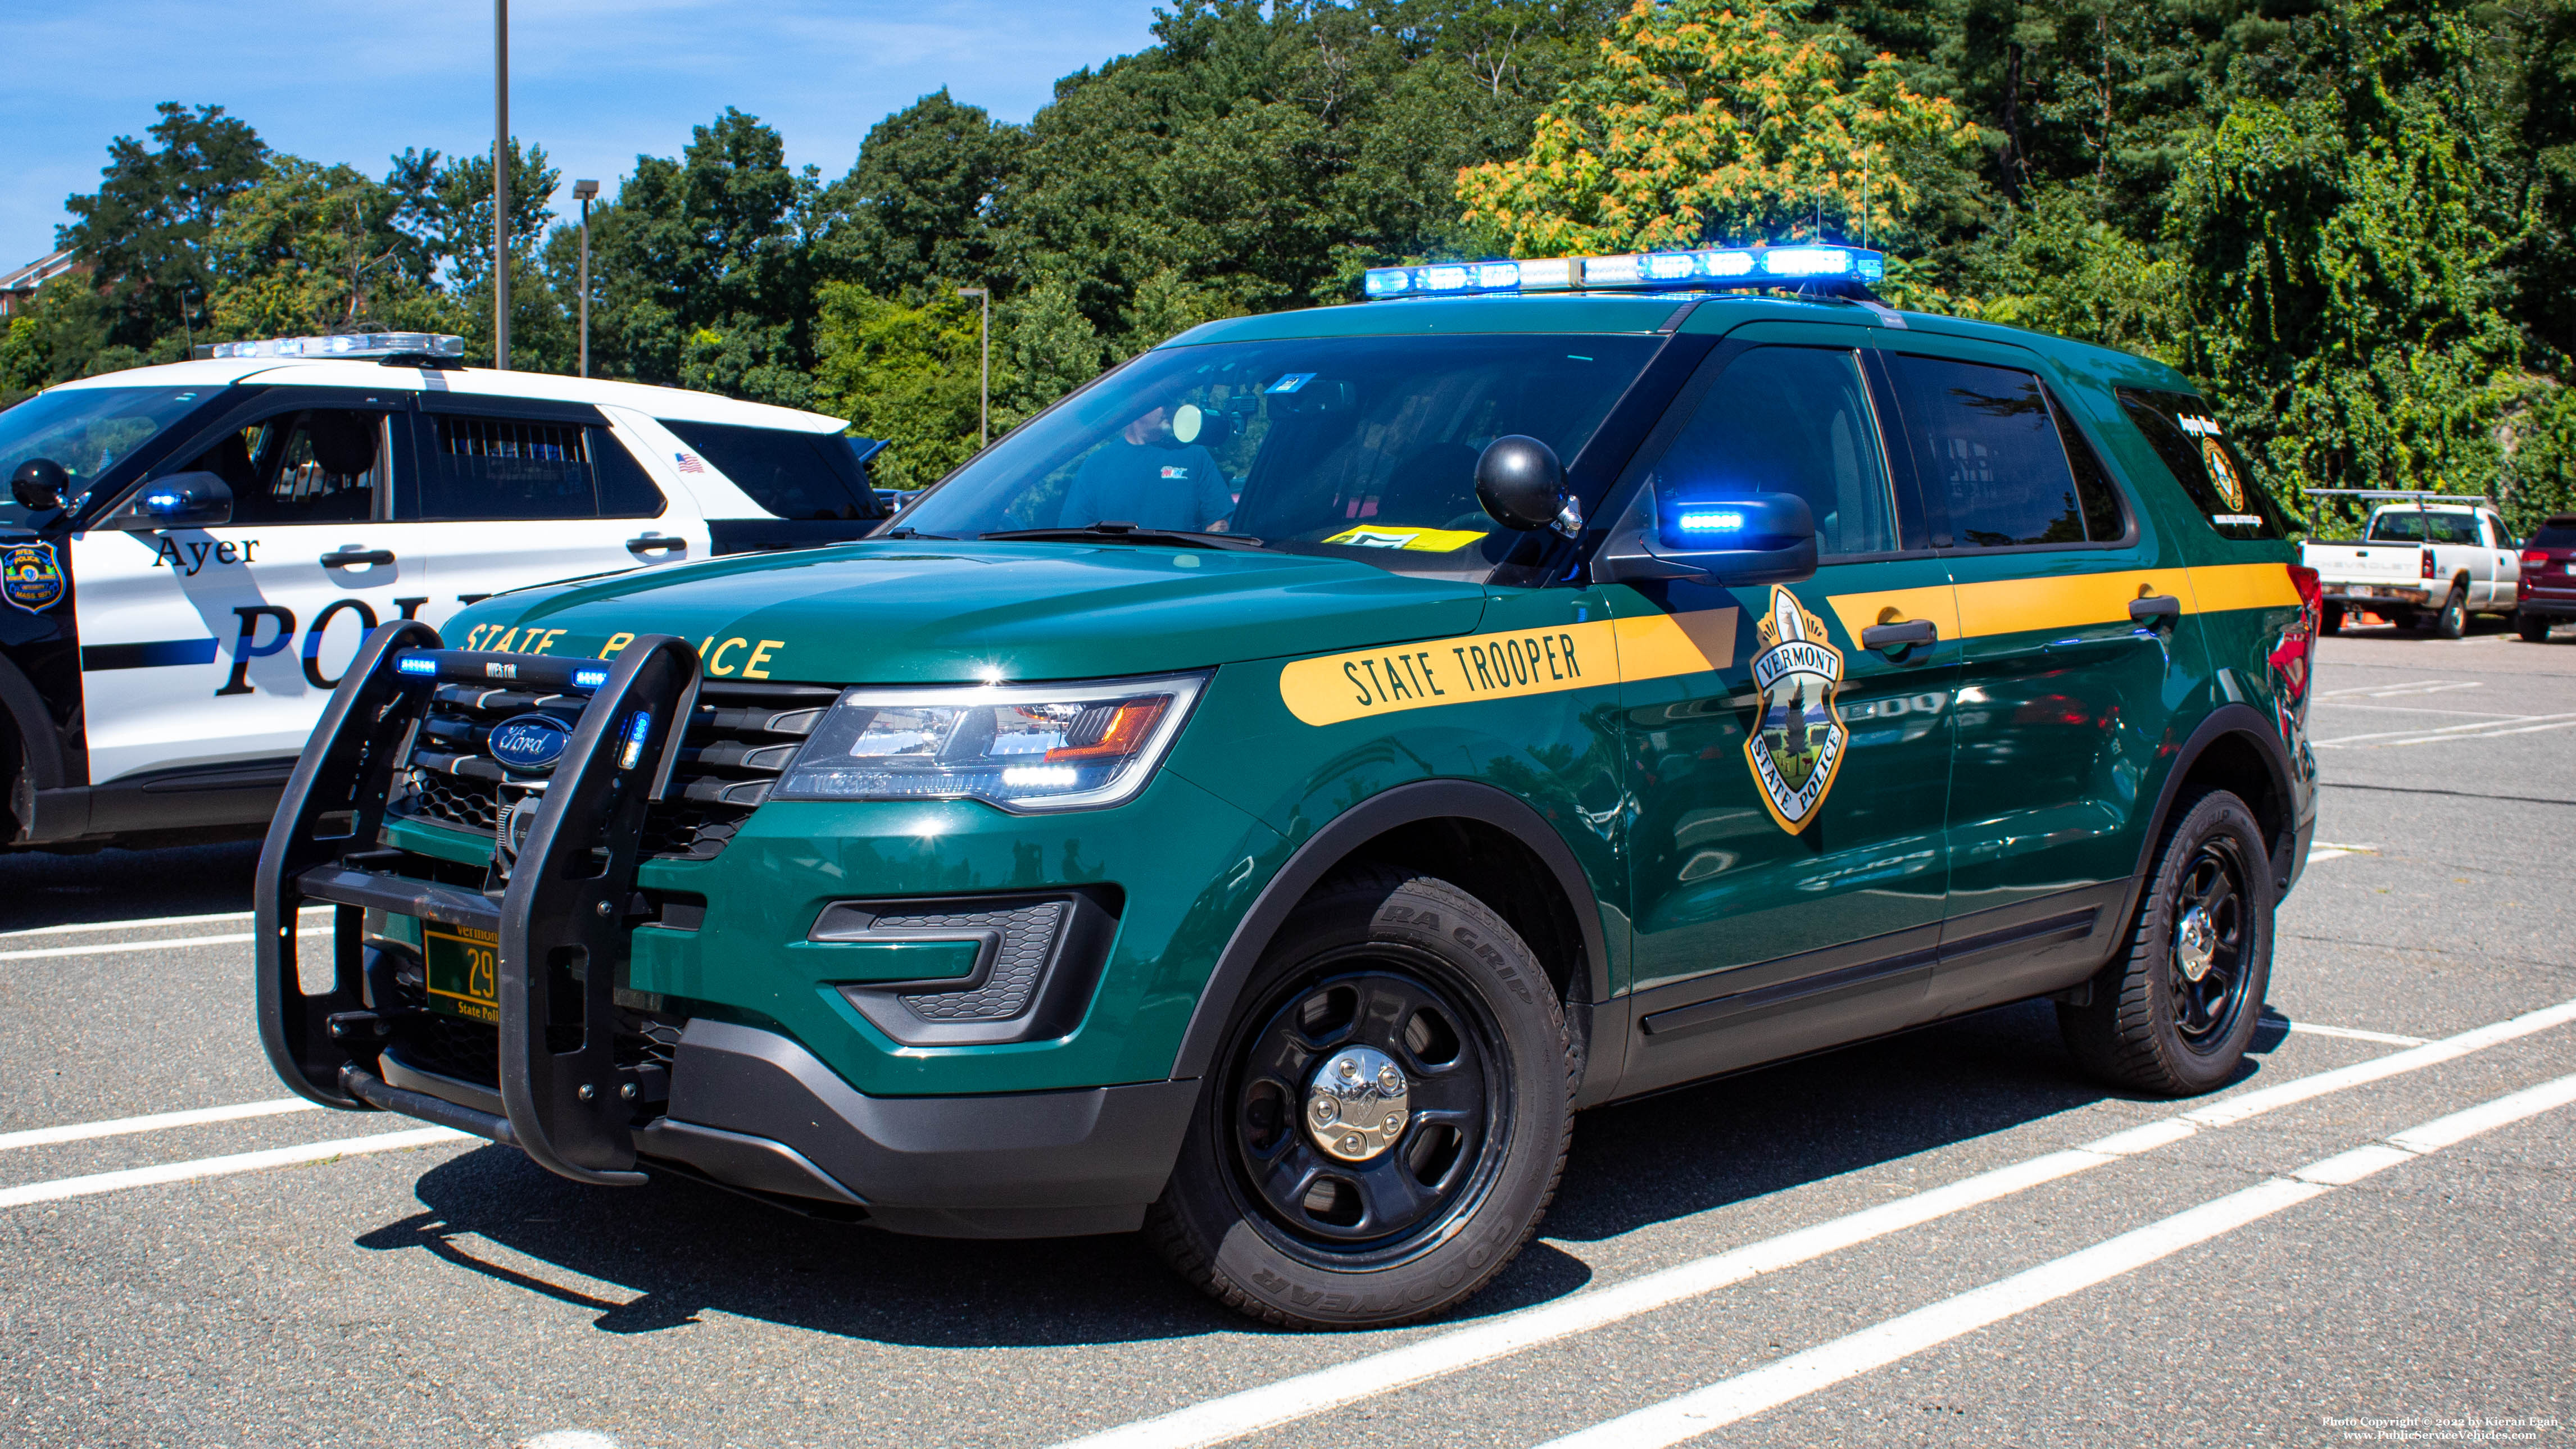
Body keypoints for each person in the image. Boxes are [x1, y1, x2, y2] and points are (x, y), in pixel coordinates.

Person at [1057, 399, 1235, 532]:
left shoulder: (1194, 454)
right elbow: (1074, 533)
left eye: (1171, 402)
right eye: (1161, 402)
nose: (1169, 408)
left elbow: (1219, 523)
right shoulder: (1098, 464)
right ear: (1135, 408)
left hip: (1180, 574)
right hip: (1120, 574)